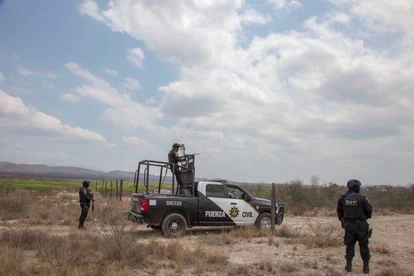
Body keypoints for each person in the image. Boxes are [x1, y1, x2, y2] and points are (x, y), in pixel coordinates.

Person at [337, 179, 373, 274]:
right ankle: (366, 267)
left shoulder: (343, 197)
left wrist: (343, 221)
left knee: (349, 246)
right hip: (361, 225)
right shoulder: (362, 198)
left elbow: (339, 212)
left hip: (348, 225)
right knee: (364, 246)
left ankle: (348, 266)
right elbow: (369, 212)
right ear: (357, 187)